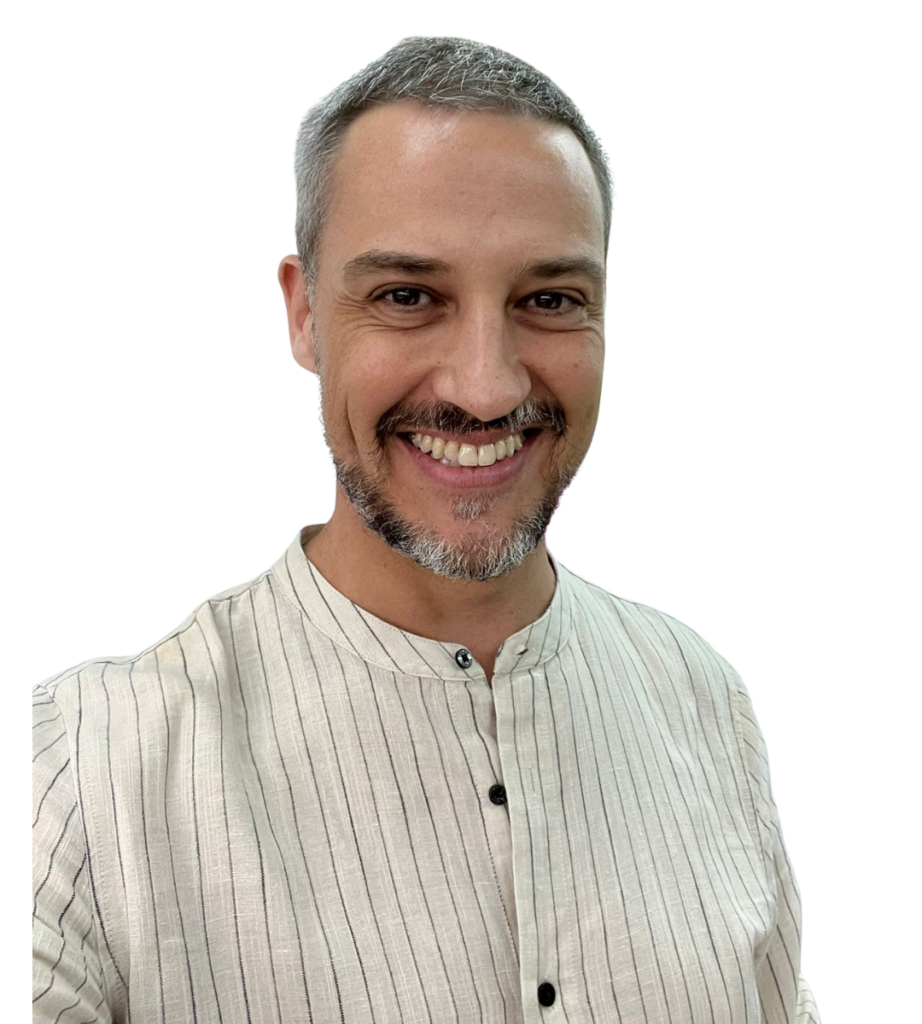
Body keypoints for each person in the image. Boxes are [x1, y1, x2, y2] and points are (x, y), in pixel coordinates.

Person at [32, 34, 821, 1023]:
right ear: (303, 314)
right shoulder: (81, 764)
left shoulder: (705, 695)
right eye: (408, 296)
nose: (485, 387)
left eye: (549, 299)